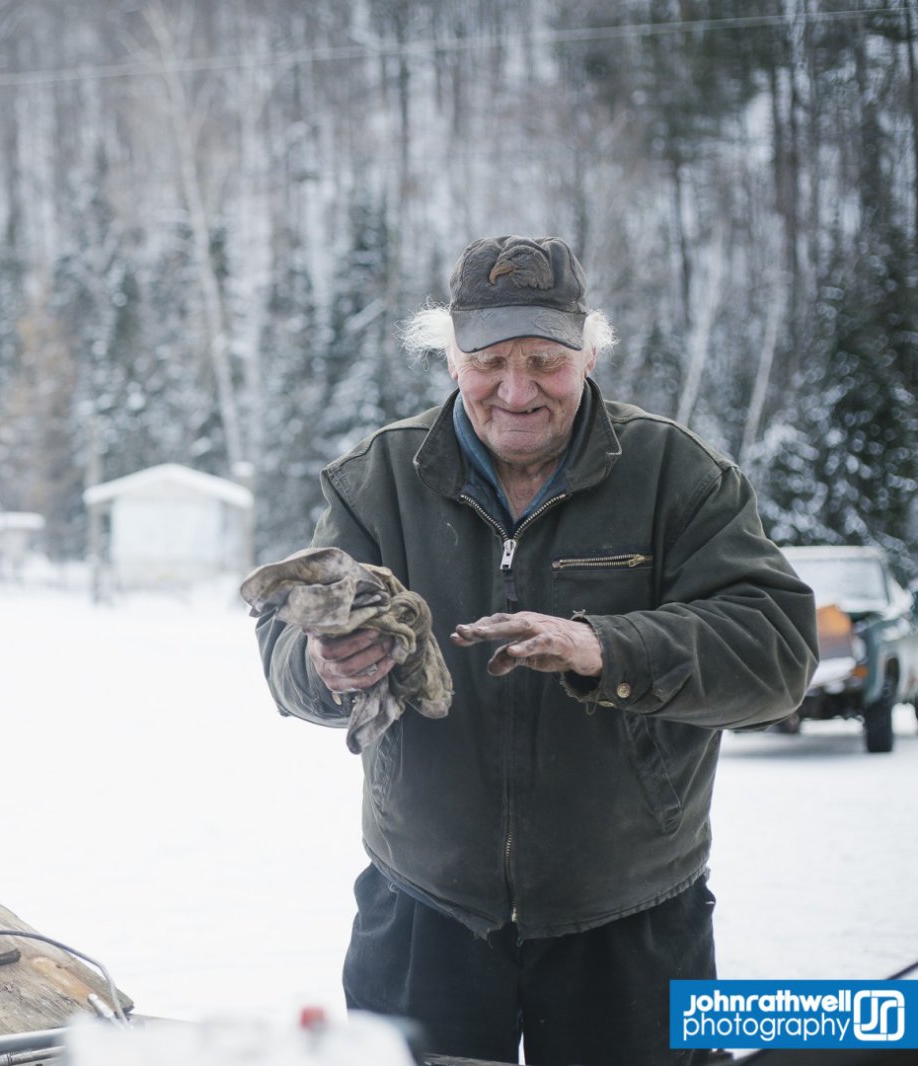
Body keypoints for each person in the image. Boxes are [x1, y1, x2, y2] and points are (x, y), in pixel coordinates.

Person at [254, 235, 817, 1066]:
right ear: (450, 359)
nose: (516, 392)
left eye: (546, 360)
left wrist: (606, 648)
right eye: (489, 361)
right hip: (423, 910)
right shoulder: (377, 478)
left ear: (590, 353)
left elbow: (776, 655)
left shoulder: (678, 475)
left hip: (634, 915)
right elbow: (282, 642)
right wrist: (321, 664)